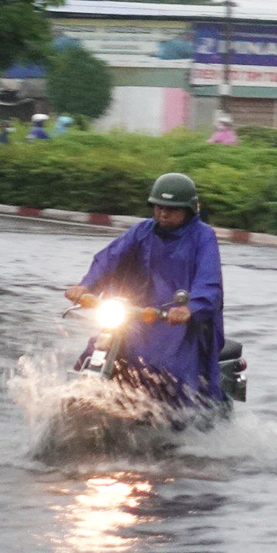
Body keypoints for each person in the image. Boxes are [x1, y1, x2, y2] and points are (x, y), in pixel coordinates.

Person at [64, 172, 225, 406]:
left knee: (169, 369)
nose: (163, 213)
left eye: (172, 208)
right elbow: (110, 258)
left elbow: (209, 280)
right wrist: (85, 285)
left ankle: (176, 422)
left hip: (177, 323)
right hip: (137, 315)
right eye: (158, 207)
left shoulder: (203, 237)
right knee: (96, 349)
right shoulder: (143, 231)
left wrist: (191, 308)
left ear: (189, 210)